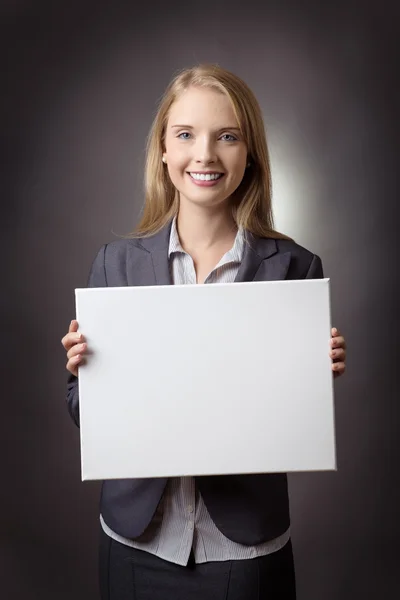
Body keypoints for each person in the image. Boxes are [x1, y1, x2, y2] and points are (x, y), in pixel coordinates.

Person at [61, 64, 346, 600]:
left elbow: (290, 424)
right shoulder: (114, 265)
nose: (205, 155)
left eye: (228, 136)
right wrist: (85, 377)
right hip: (133, 544)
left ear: (251, 153)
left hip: (246, 552)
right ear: (163, 151)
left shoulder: (295, 269)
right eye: (186, 134)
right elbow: (84, 414)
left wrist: (314, 378)